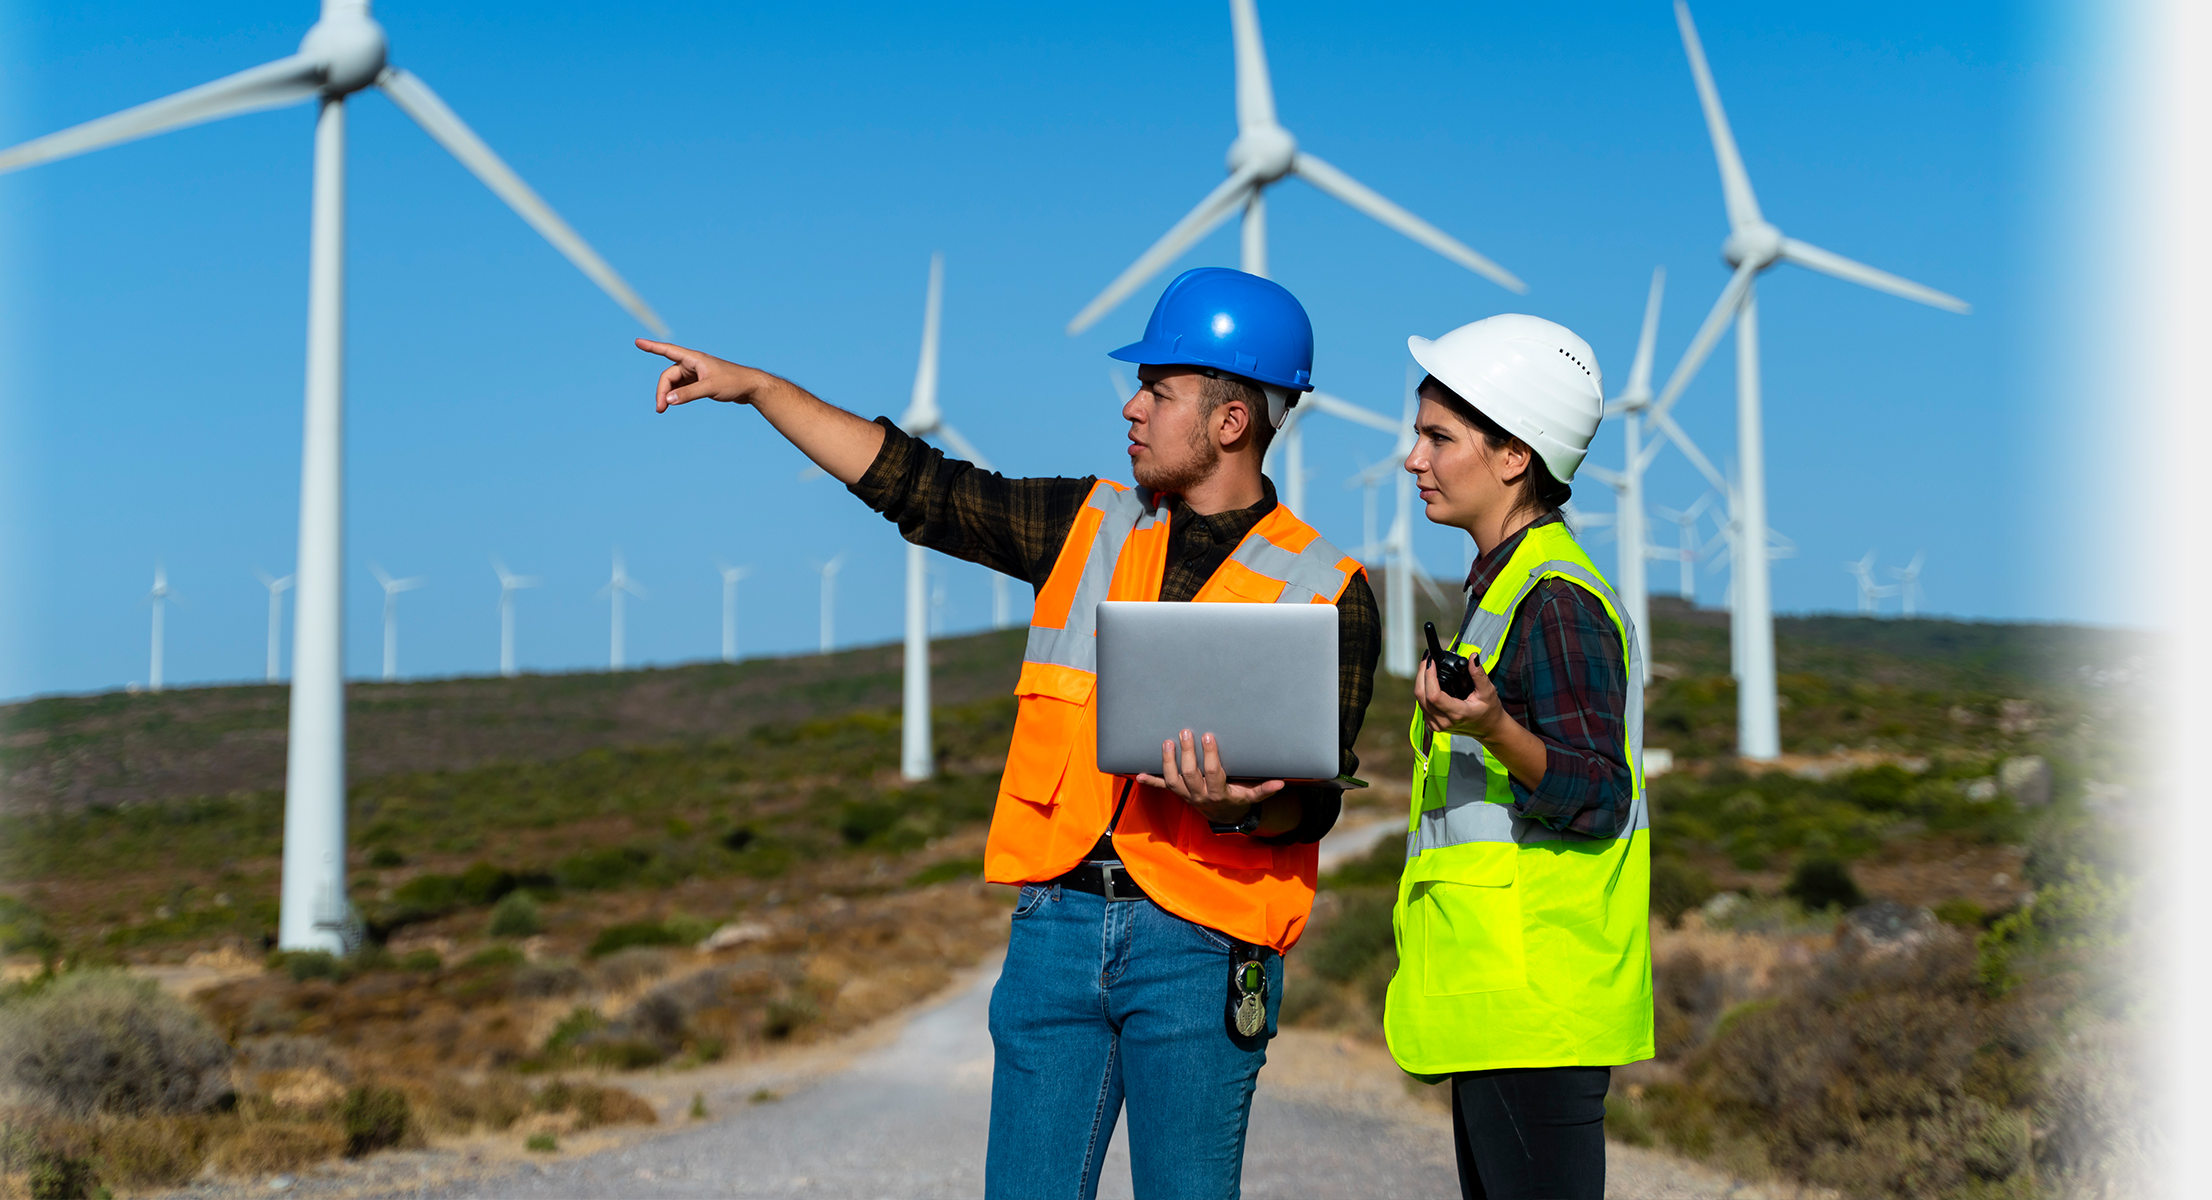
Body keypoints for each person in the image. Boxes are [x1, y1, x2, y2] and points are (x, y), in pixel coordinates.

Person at [638, 267, 1378, 1200]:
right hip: (1054, 933)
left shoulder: (1329, 587)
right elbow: (919, 486)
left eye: (1158, 389)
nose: (1132, 408)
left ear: (1231, 422)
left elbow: (1311, 807)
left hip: (1203, 947)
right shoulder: (1085, 523)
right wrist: (760, 391)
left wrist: (1237, 809)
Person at [1381, 315, 1654, 1200]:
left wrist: (1494, 726)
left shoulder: (1556, 600)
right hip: (1504, 1002)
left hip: (1535, 1006)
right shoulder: (1504, 590)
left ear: (1513, 456)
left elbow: (1598, 789)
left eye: (1436, 437)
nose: (1411, 458)